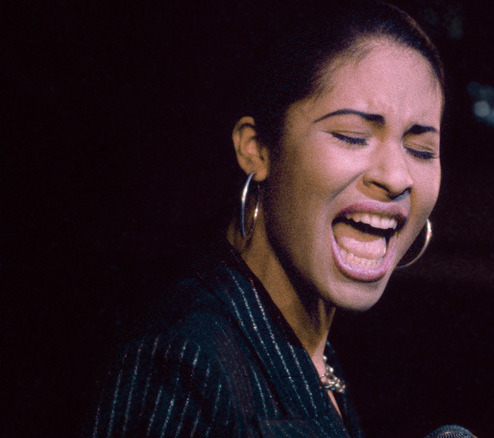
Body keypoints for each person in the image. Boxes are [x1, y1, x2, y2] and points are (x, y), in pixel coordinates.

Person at [89, 1, 457, 436]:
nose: (396, 177)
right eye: (352, 136)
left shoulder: (312, 355)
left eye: (420, 150)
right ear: (257, 149)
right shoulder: (185, 361)